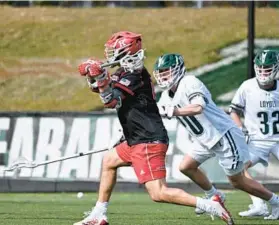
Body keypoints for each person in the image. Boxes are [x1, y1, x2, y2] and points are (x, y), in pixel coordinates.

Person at [74, 32, 233, 225]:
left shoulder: (134, 74)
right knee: (109, 161)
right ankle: (99, 213)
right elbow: (105, 89)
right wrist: (95, 77)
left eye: (115, 50)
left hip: (147, 140)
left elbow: (110, 100)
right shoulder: (123, 73)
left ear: (125, 52)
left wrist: (100, 77)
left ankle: (210, 205)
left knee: (158, 193)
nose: (110, 54)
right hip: (135, 138)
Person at [153, 53, 279, 221]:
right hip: (205, 140)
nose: (163, 76)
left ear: (178, 70)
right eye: (160, 72)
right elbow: (155, 114)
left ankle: (275, 201)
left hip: (223, 136)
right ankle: (215, 195)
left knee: (237, 181)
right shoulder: (165, 96)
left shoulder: (190, 82)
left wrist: (173, 111)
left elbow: (198, 107)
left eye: (166, 71)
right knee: (186, 167)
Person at [230, 49, 279, 218]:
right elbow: (234, 110)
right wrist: (240, 129)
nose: (264, 72)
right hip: (257, 141)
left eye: (268, 68)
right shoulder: (248, 86)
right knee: (237, 170)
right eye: (261, 68)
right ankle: (259, 204)